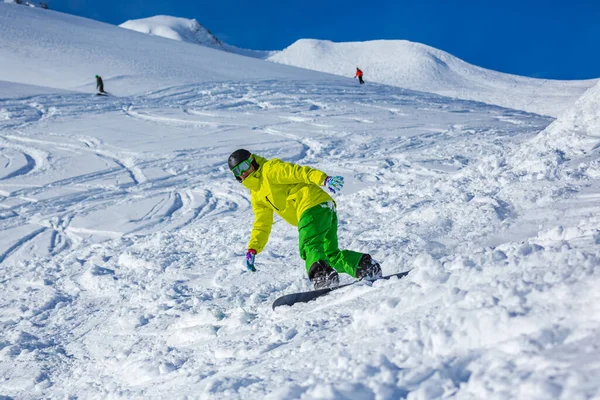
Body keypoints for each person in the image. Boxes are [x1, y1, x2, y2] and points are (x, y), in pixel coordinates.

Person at [228, 149, 382, 289]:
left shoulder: (271, 169)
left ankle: (322, 276)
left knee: (309, 245)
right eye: (237, 171)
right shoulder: (257, 195)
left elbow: (300, 172)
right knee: (330, 255)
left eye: (244, 166)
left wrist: (324, 179)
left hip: (311, 206)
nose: (242, 173)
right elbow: (262, 223)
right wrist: (253, 248)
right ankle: (364, 266)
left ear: (252, 161)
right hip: (325, 209)